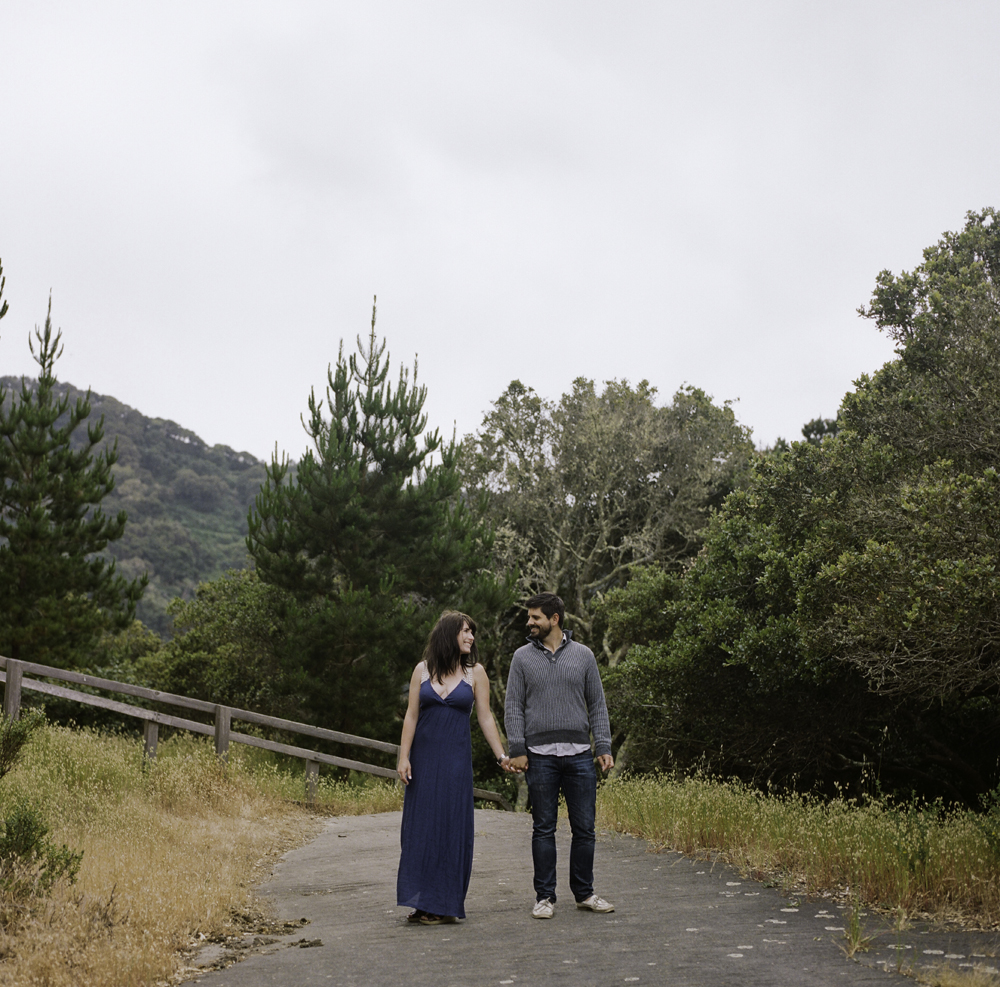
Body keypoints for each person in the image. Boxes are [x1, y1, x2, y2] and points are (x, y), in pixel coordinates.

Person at [503, 592, 615, 919]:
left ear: (554, 619)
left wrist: (603, 746)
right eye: (529, 617)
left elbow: (597, 704)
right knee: (543, 827)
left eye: (535, 617)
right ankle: (545, 898)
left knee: (585, 828)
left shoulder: (584, 656)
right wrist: (518, 750)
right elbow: (513, 708)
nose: (529, 622)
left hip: (580, 754)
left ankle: (585, 893)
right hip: (539, 756)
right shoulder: (522, 658)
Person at [396, 610, 509, 926]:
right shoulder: (422, 670)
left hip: (456, 763)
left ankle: (442, 903)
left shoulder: (476, 674)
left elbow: (485, 717)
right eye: (465, 631)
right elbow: (411, 716)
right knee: (420, 830)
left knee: (450, 829)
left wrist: (501, 756)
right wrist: (403, 757)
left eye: (472, 632)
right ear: (448, 634)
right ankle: (422, 900)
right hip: (422, 761)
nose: (471, 637)